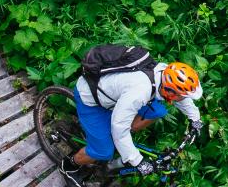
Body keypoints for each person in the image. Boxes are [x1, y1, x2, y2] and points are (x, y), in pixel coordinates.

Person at [64, 58, 206, 177]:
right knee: (104, 151)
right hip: (91, 99)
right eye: (180, 96)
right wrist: (137, 161)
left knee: (157, 110)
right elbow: (119, 127)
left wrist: (195, 119)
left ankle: (121, 142)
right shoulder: (139, 92)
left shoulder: (163, 73)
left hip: (117, 96)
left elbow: (181, 97)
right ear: (169, 90)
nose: (182, 99)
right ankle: (69, 164)